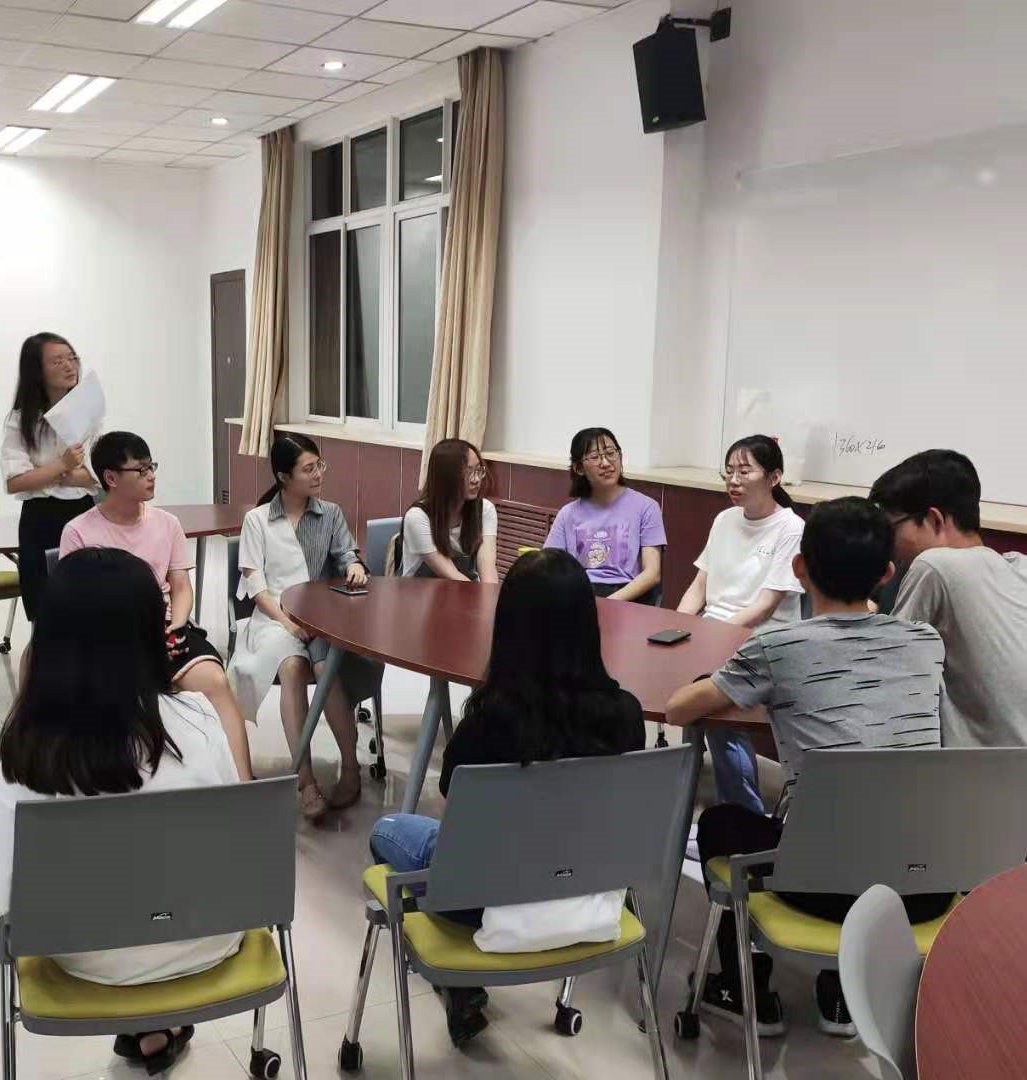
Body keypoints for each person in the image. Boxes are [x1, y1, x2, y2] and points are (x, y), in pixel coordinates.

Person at [666, 496, 948, 1038]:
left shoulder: (777, 646)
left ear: (799, 568)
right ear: (887, 574)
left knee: (722, 821)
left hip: (820, 884)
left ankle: (744, 990)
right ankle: (841, 994)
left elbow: (680, 709)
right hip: (924, 885)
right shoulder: (925, 642)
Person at [0, 547, 241, 1074]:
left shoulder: (29, 749)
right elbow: (234, 845)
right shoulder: (198, 718)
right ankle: (157, 1024)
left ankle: (149, 1024)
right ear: (150, 634)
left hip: (85, 956)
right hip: (207, 939)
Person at [369, 550, 645, 1046]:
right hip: (587, 897)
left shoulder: (487, 724)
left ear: (509, 628)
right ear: (588, 623)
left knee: (387, 831)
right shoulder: (626, 715)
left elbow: (458, 831)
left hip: (483, 903)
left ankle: (460, 981)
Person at [60, 432, 254, 781]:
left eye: (152, 467)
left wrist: (177, 625)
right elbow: (74, 600)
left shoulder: (167, 523)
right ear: (111, 478)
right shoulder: (78, 531)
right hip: (106, 637)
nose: (151, 476)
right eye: (141, 469)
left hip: (162, 628)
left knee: (214, 679)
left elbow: (180, 586)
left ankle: (243, 784)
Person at [227, 433, 376, 820]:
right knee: (292, 668)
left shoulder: (330, 514)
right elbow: (256, 587)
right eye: (308, 469)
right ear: (283, 476)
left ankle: (351, 768)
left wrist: (354, 565)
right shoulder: (258, 520)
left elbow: (346, 553)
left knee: (326, 668)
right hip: (273, 617)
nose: (318, 474)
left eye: (319, 465)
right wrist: (286, 623)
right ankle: (305, 780)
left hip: (320, 617)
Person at [870, 450, 1027, 751]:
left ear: (934, 519)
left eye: (892, 527)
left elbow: (884, 675)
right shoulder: (1026, 567)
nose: (888, 543)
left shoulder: (936, 565)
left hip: (989, 774)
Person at [677, 435, 806, 814]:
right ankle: (687, 791)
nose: (733, 480)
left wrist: (710, 637)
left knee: (716, 714)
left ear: (774, 477)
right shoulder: (724, 520)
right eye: (729, 471)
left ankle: (744, 813)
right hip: (713, 636)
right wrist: (678, 626)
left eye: (744, 471)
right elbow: (699, 585)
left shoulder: (790, 528)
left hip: (761, 642)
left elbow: (765, 606)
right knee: (687, 703)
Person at [0, 332, 100, 621]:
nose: (69, 366)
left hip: (83, 512)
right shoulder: (20, 420)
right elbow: (15, 482)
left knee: (89, 602)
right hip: (40, 518)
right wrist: (62, 466)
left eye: (72, 358)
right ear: (37, 370)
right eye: (57, 361)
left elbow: (95, 475)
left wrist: (51, 475)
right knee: (46, 606)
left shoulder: (87, 412)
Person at [543, 427, 666, 602]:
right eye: (595, 457)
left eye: (610, 453)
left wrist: (606, 603)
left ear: (620, 456)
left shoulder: (646, 507)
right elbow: (549, 568)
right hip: (580, 594)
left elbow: (652, 574)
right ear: (579, 468)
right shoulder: (567, 514)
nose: (606, 463)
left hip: (627, 596)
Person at [399, 438, 498, 582]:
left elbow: (488, 567)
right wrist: (480, 594)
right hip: (421, 593)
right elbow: (451, 575)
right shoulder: (417, 517)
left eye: (478, 470)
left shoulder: (485, 509)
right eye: (468, 472)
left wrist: (491, 593)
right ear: (445, 477)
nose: (476, 479)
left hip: (468, 588)